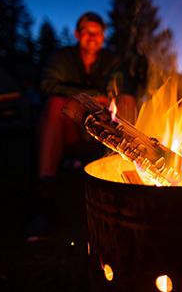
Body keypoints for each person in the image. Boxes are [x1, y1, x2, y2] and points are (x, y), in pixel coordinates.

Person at [26, 12, 136, 241]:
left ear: (103, 36)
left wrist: (109, 100)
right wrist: (92, 97)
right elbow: (49, 86)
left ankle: (130, 176)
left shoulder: (111, 61)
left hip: (103, 126)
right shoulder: (62, 59)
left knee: (127, 100)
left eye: (98, 33)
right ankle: (44, 192)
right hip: (69, 127)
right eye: (87, 31)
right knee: (55, 104)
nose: (92, 37)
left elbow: (120, 88)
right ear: (77, 34)